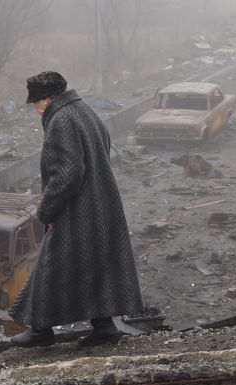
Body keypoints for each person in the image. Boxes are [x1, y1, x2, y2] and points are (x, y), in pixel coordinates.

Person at [9, 71, 145, 348]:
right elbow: (101, 151)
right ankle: (103, 325)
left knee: (50, 264)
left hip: (76, 210)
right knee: (96, 265)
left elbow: (68, 175)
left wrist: (46, 212)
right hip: (102, 204)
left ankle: (40, 330)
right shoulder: (85, 111)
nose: (34, 109)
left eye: (35, 102)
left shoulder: (60, 120)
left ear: (46, 99)